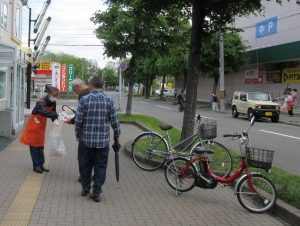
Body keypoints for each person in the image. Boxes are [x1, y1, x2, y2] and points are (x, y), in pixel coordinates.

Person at [75, 76, 121, 202]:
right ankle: (96, 192)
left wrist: (78, 134)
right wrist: (117, 136)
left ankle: (85, 187)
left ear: (90, 86)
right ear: (102, 86)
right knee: (101, 166)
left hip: (86, 140)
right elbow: (115, 121)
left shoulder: (84, 99)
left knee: (85, 164)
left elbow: (78, 120)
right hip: (102, 141)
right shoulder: (109, 100)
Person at [20, 87, 59, 173]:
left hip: (41, 127)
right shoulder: (41, 102)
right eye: (54, 95)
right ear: (48, 94)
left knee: (40, 146)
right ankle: (36, 166)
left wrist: (55, 120)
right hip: (34, 126)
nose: (55, 97)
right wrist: (55, 114)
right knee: (34, 147)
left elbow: (53, 112)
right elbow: (44, 113)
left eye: (56, 96)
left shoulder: (53, 102)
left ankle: (41, 165)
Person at [65, 78, 90, 183]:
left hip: (85, 132)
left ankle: (84, 177)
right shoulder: (94, 92)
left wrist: (72, 122)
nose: (76, 93)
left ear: (78, 86)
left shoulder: (83, 95)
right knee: (95, 157)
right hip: (99, 134)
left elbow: (80, 116)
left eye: (75, 91)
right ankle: (95, 176)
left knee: (83, 156)